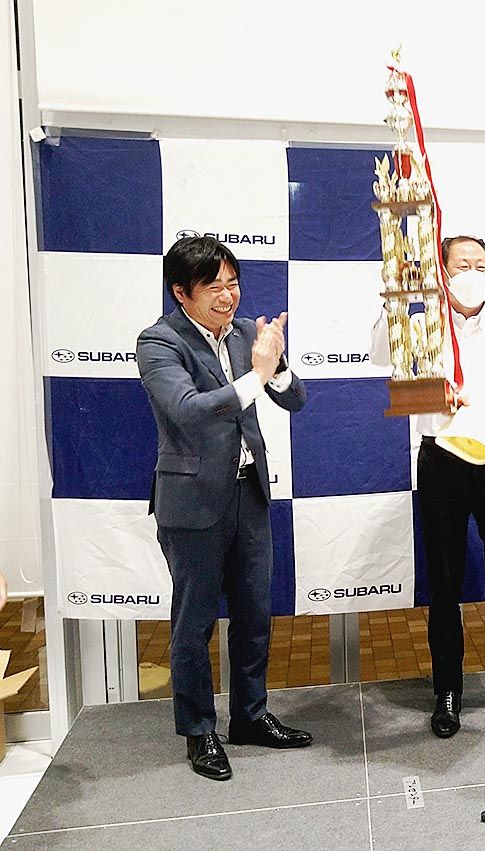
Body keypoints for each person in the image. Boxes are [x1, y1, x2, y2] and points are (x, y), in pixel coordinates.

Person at [137, 236, 311, 782]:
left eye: (232, 283)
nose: (227, 296)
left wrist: (275, 367)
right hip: (192, 502)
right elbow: (188, 410)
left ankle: (251, 716)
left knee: (255, 614)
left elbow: (295, 398)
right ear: (181, 292)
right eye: (213, 286)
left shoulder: (245, 336)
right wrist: (256, 376)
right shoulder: (159, 342)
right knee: (194, 624)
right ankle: (198, 730)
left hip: (248, 493)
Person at [371, 235, 485, 739]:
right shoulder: (421, 326)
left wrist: (470, 401)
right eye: (460, 265)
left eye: (480, 265)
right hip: (441, 459)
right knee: (445, 583)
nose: (471, 273)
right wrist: (399, 297)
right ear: (443, 272)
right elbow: (382, 358)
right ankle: (447, 692)